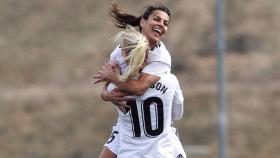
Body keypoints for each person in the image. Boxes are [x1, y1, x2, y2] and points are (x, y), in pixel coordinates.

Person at [94, 3, 185, 158]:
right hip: (128, 127)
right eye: (157, 19)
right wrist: (105, 95)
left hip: (158, 129)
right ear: (142, 22)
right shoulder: (120, 51)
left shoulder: (162, 57)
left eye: (165, 23)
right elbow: (107, 87)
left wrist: (114, 79)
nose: (161, 25)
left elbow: (139, 89)